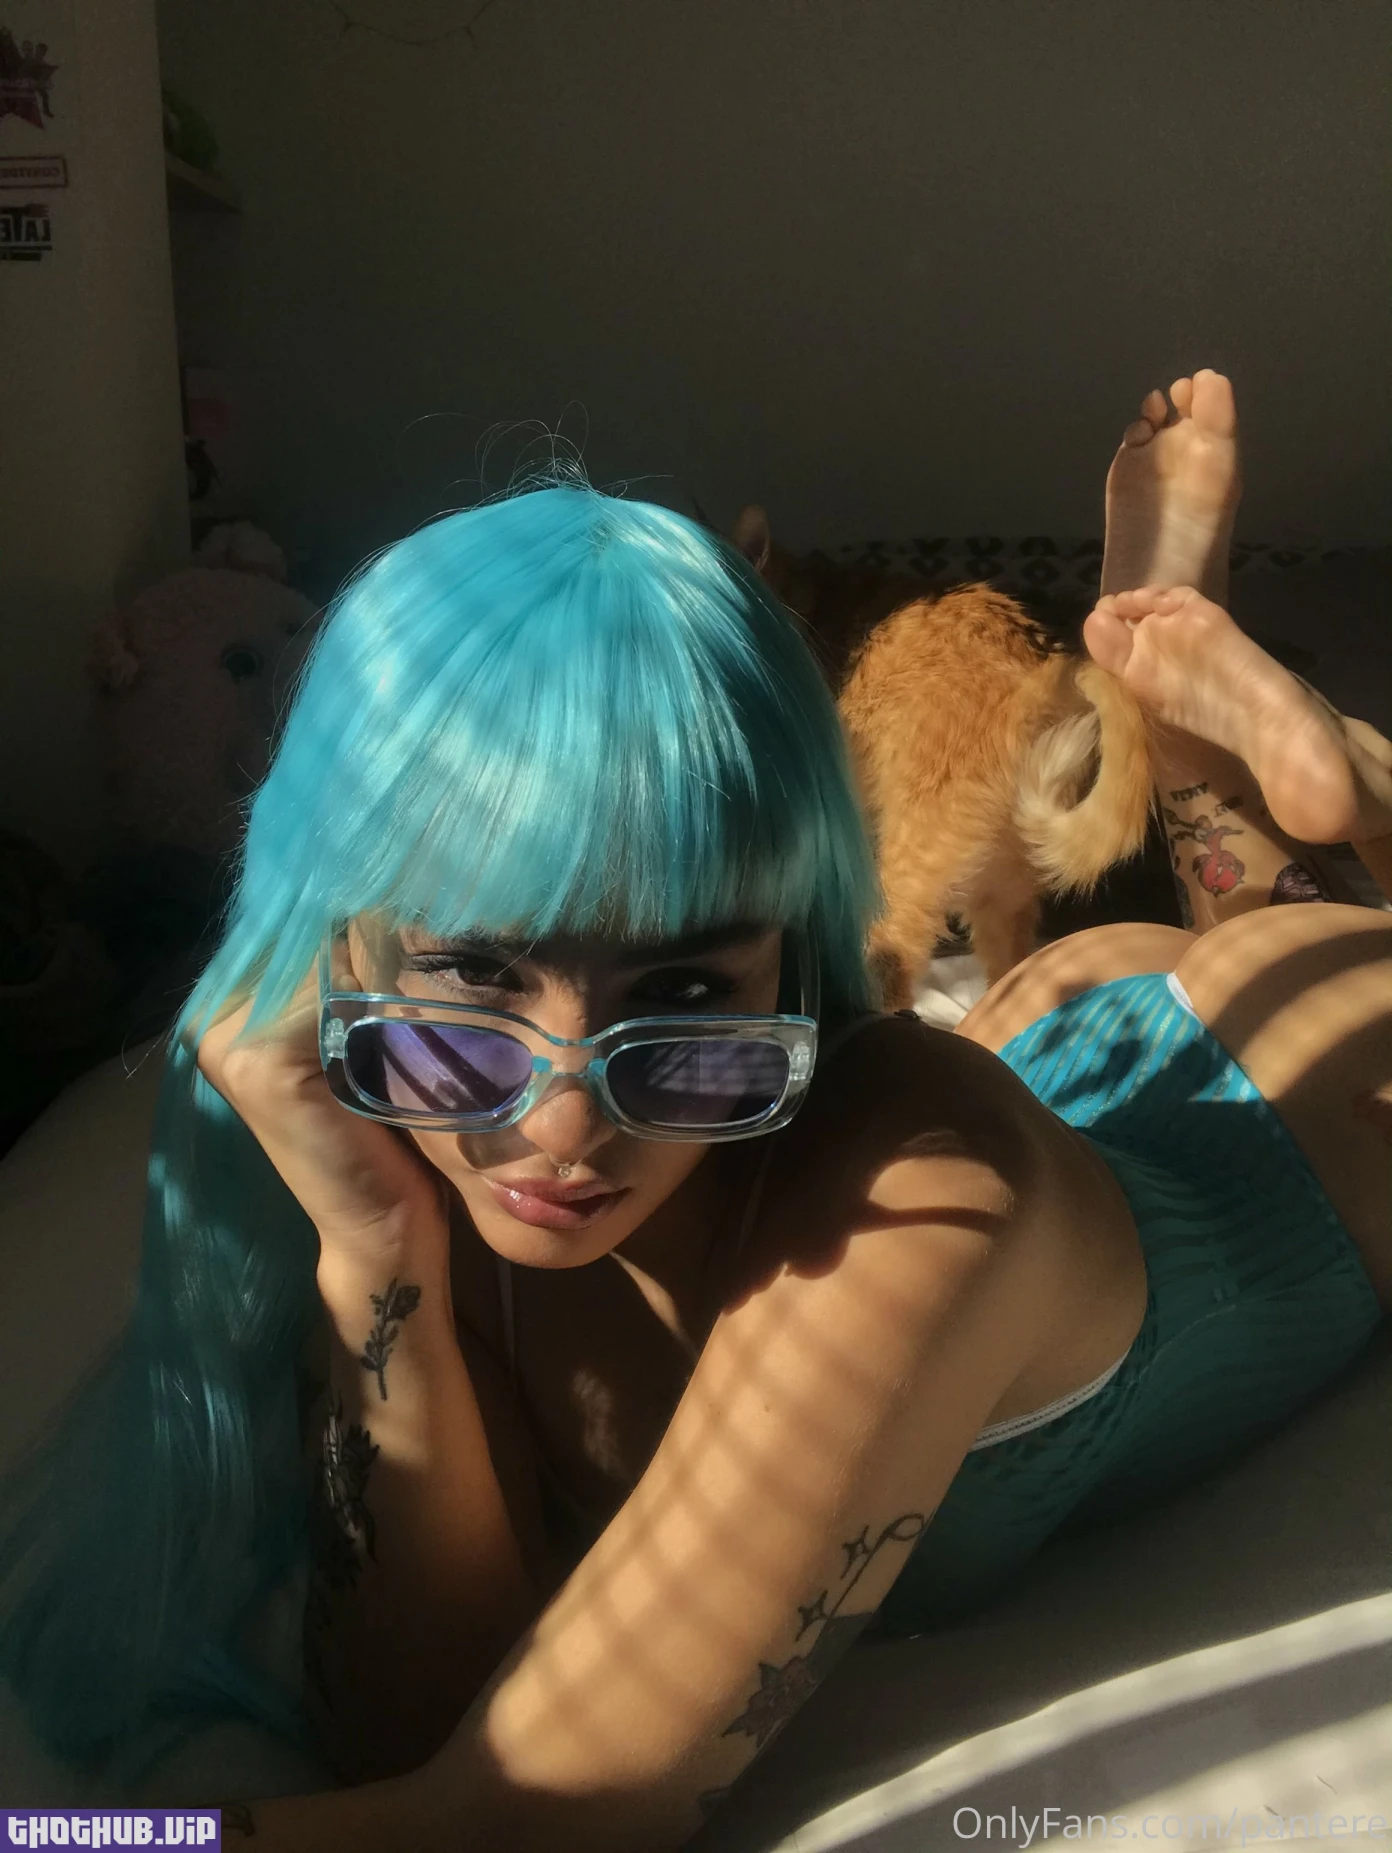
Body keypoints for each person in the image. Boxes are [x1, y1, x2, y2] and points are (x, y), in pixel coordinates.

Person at [0, 376, 1388, 1853]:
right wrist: (373, 1251)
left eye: (682, 989)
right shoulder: (395, 1113)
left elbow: (504, 1826)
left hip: (1296, 1117)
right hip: (1052, 1039)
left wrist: (56, 1843)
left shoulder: (923, 1210)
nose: (561, 1128)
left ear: (790, 954)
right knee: (1243, 922)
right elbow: (407, 1725)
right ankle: (1188, 683)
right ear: (339, 940)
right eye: (477, 970)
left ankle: (1294, 751)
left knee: (1319, 934)